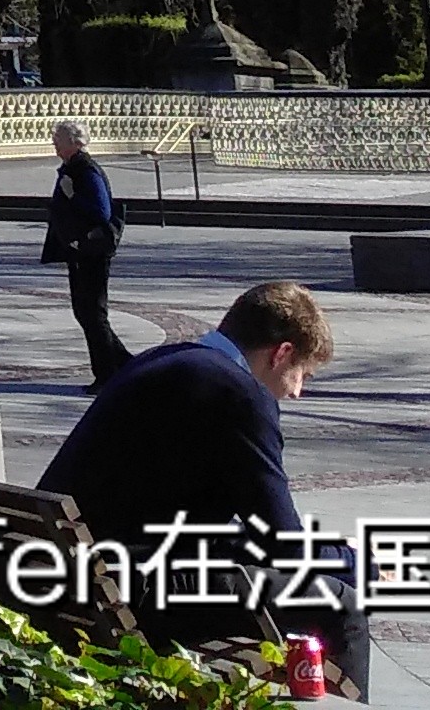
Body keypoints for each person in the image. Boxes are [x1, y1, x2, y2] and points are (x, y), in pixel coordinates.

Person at [39, 280, 359, 683]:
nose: (297, 392)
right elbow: (285, 546)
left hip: (71, 572)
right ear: (282, 353)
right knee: (340, 604)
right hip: (130, 587)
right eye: (303, 375)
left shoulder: (164, 360)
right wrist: (357, 563)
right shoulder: (240, 395)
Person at [39, 117, 132, 382]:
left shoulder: (85, 169)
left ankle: (106, 374)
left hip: (92, 252)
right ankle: (123, 363)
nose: (54, 146)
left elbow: (102, 211)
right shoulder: (72, 167)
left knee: (93, 314)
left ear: (73, 142)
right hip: (79, 251)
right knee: (86, 312)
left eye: (58, 141)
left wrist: (72, 196)